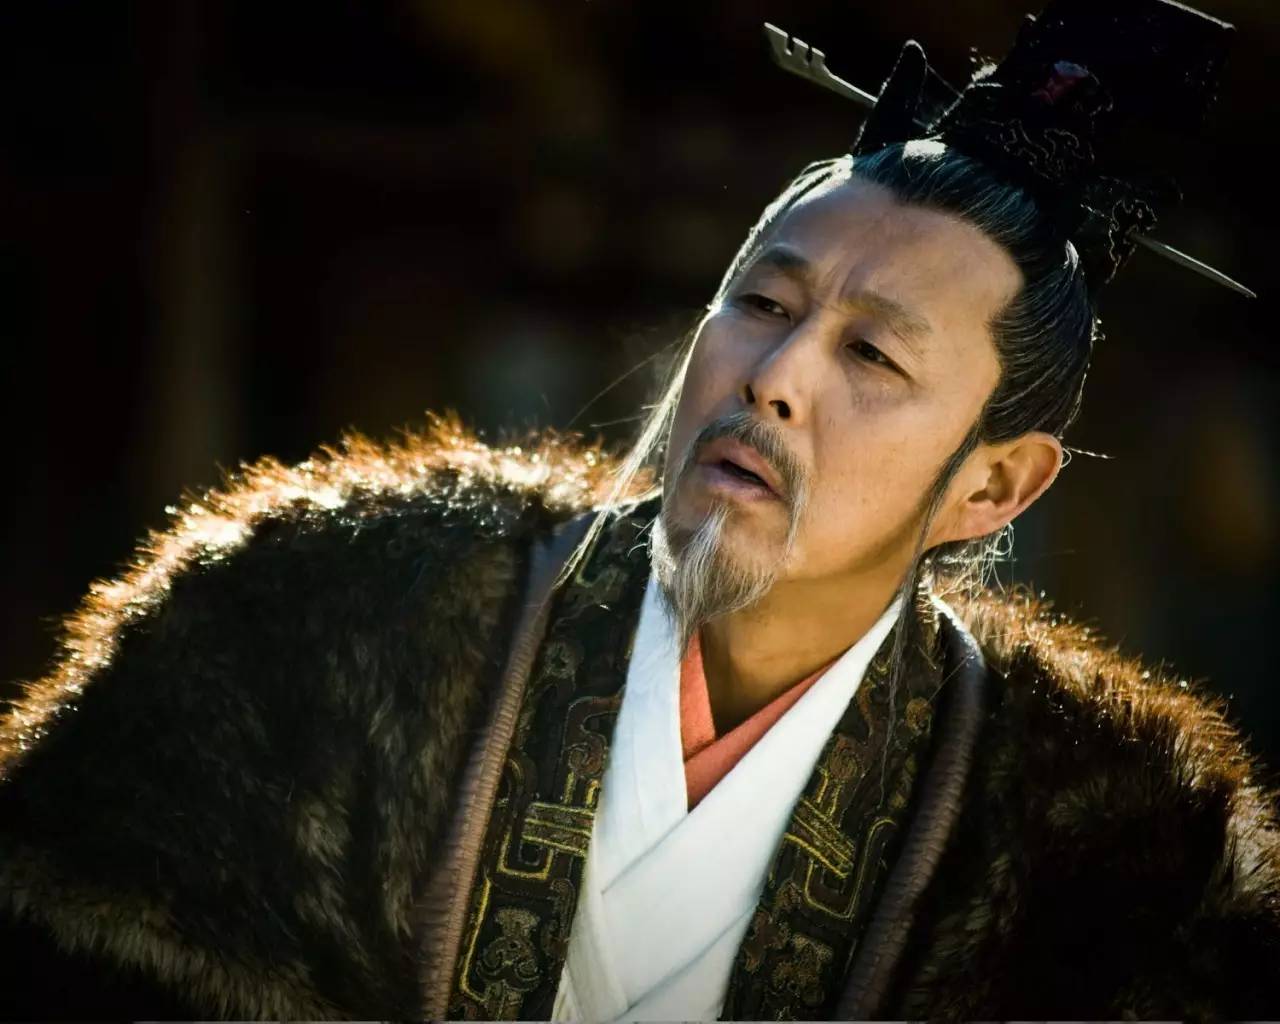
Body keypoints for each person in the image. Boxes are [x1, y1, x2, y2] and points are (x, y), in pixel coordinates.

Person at [2, 0, 1277, 1018]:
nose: (774, 379)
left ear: (993, 483)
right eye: (762, 305)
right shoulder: (318, 618)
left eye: (870, 356)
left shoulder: (1109, 849)